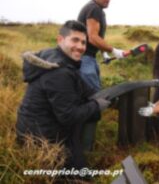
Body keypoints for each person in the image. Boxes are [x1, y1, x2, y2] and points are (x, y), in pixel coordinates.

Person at [16, 20, 110, 174]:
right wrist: (96, 106)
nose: (80, 47)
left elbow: (77, 84)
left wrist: (94, 93)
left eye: (83, 42)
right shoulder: (59, 73)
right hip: (43, 142)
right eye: (75, 40)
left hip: (32, 129)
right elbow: (68, 116)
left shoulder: (54, 57)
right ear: (60, 40)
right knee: (81, 176)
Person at [78, 0, 127, 151]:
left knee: (92, 99)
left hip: (89, 58)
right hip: (85, 60)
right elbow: (92, 37)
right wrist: (114, 50)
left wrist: (103, 53)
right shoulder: (94, 9)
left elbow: (92, 38)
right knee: (93, 101)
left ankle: (85, 141)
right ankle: (85, 146)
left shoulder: (96, 9)